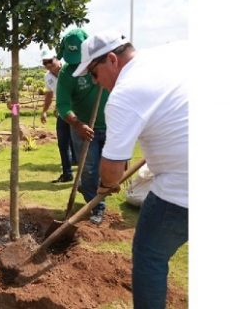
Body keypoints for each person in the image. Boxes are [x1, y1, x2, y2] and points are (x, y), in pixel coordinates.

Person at [73, 31, 188, 309]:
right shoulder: (169, 56)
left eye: (94, 73)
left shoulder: (125, 93)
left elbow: (112, 171)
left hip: (182, 190)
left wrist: (105, 184)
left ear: (112, 59)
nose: (96, 83)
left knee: (149, 254)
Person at [56, 28, 110, 224]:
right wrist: (77, 124)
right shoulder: (67, 73)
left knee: (109, 168)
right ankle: (96, 206)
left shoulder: (103, 63)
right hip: (83, 128)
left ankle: (88, 188)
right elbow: (62, 105)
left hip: (110, 125)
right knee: (88, 168)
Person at [40, 48, 76, 183]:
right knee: (62, 143)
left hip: (77, 113)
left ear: (57, 59)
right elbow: (49, 94)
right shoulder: (47, 77)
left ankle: (86, 176)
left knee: (81, 143)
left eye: (50, 61)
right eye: (45, 63)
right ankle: (67, 174)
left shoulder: (69, 70)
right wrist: (44, 111)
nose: (48, 65)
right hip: (63, 114)